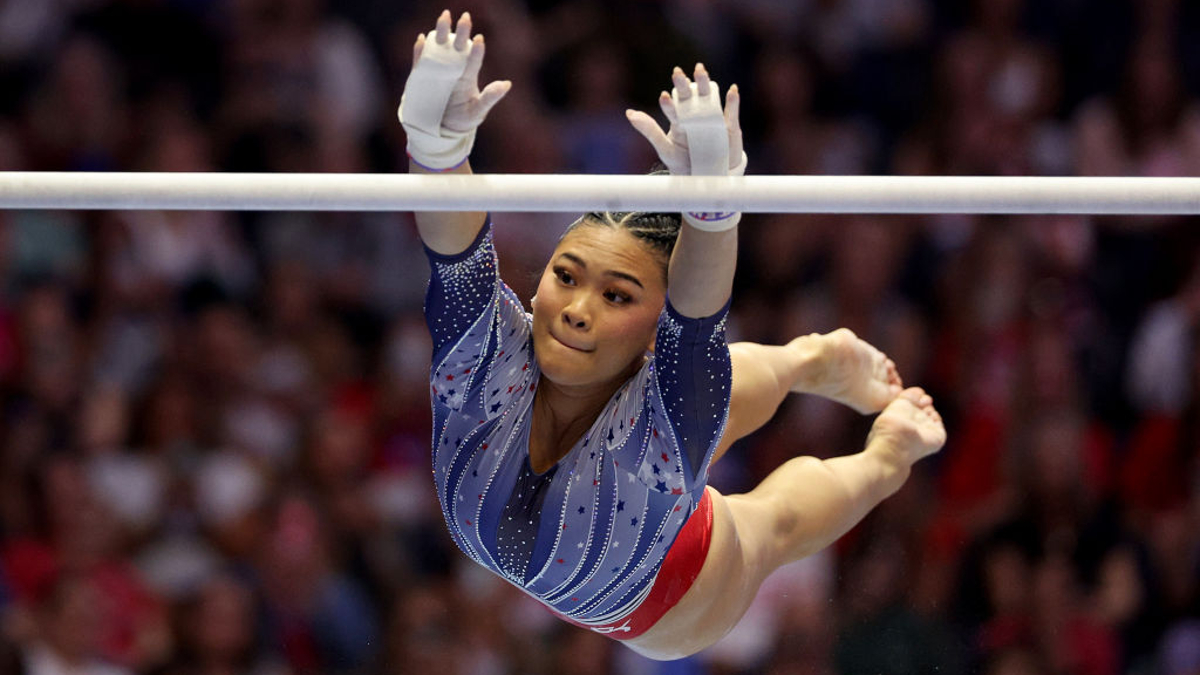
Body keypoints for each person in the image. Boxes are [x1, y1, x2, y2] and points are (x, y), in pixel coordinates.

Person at [400, 10, 947, 660]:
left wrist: (715, 208)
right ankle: (809, 362)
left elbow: (697, 312)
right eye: (566, 275)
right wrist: (436, 149)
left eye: (615, 296)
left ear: (656, 333)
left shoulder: (661, 413)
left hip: (671, 582)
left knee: (772, 517)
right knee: (731, 446)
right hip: (648, 562)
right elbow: (456, 249)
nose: (576, 309)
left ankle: (876, 445)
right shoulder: (491, 362)